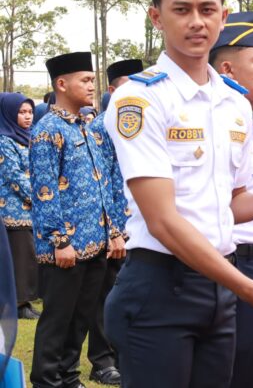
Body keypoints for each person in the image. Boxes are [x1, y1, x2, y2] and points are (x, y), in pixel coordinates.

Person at [102, 0, 253, 388]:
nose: (196, 21)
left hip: (219, 287)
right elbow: (163, 221)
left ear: (223, 15)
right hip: (161, 288)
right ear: (156, 17)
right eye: (181, 9)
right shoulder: (140, 99)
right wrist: (249, 288)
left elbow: (224, 208)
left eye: (207, 9)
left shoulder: (233, 102)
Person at [30, 51, 123, 388]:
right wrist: (59, 240)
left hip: (95, 241)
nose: (91, 85)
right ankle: (46, 380)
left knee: (81, 317)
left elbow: (105, 183)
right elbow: (44, 191)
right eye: (85, 80)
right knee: (58, 318)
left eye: (92, 79)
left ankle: (68, 377)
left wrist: (113, 231)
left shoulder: (88, 129)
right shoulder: (47, 131)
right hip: (65, 247)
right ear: (62, 84)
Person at [209, 10, 253, 387]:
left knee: (251, 369)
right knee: (229, 371)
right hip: (229, 263)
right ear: (228, 70)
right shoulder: (216, 124)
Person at [86, 58, 141, 386]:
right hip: (113, 227)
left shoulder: (145, 121)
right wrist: (112, 230)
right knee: (106, 296)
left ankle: (125, 356)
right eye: (128, 85)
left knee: (136, 295)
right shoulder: (99, 127)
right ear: (111, 89)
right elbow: (100, 183)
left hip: (142, 225)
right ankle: (102, 359)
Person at [0, 93, 38, 320]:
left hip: (30, 208)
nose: (27, 116)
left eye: (30, 112)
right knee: (21, 255)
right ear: (9, 114)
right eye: (22, 112)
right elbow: (14, 175)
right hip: (13, 208)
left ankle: (24, 301)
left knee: (28, 256)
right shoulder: (4, 141)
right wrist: (39, 198)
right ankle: (17, 303)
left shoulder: (29, 137)